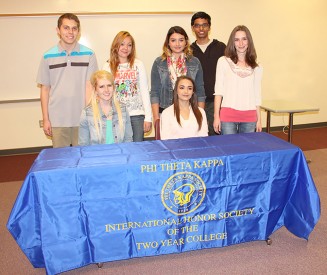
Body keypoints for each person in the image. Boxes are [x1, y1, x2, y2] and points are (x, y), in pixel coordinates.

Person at [37, 13, 98, 148]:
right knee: (61, 162)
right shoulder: (47, 56)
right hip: (57, 120)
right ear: (58, 30)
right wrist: (46, 119)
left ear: (78, 31)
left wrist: (90, 116)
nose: (70, 32)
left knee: (83, 159)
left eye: (74, 28)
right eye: (66, 28)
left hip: (82, 119)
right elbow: (45, 89)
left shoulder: (89, 55)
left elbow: (90, 87)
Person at [150, 26, 206, 125]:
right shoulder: (159, 62)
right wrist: (156, 118)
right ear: (168, 42)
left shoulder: (195, 62)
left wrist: (200, 115)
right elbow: (154, 92)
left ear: (186, 42)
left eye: (181, 40)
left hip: (190, 111)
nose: (177, 44)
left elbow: (200, 91)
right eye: (173, 40)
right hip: (165, 110)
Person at [103, 31, 152, 142]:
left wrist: (148, 117)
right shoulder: (107, 66)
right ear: (116, 45)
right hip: (116, 115)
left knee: (137, 149)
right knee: (119, 149)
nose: (126, 48)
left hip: (137, 115)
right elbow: (104, 94)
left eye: (129, 45)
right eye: (122, 44)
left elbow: (145, 91)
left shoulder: (138, 64)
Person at [213, 25, 263, 135]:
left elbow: (257, 94)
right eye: (237, 40)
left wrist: (259, 119)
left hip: (250, 117)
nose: (241, 43)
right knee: (229, 149)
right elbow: (218, 91)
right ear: (232, 42)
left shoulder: (257, 66)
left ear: (249, 41)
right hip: (227, 116)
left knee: (246, 150)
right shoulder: (223, 61)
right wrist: (217, 116)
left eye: (244, 39)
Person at [190, 12, 226, 136]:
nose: (201, 28)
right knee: (197, 135)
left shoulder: (221, 47)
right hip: (194, 101)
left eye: (204, 25)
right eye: (197, 25)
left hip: (216, 101)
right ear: (193, 28)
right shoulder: (189, 51)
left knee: (216, 135)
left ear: (209, 27)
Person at [78, 70, 133, 145]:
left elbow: (128, 140)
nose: (106, 90)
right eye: (101, 87)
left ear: (113, 88)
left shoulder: (123, 109)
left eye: (109, 85)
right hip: (96, 155)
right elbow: (83, 145)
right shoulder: (86, 113)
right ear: (95, 90)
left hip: (119, 154)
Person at [160, 76, 208, 140]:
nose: (186, 91)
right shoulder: (166, 113)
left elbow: (204, 138)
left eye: (190, 88)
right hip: (175, 149)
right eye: (182, 88)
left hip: (196, 148)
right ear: (176, 90)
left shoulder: (201, 112)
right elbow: (165, 140)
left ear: (193, 92)